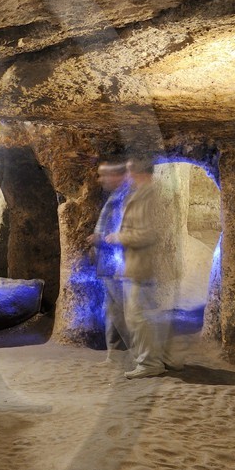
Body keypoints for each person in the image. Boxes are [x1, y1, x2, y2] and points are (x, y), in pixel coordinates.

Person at [108, 155, 174, 379]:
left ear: (139, 172)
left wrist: (118, 237)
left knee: (137, 316)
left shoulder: (150, 196)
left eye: (129, 171)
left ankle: (149, 363)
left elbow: (148, 233)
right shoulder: (141, 194)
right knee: (144, 315)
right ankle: (159, 358)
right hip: (136, 263)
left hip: (142, 264)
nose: (126, 176)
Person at [84, 159, 129, 366]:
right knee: (111, 311)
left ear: (116, 175)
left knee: (122, 312)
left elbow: (122, 233)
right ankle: (115, 355)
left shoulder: (125, 197)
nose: (100, 179)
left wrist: (100, 240)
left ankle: (141, 356)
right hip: (107, 261)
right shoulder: (115, 196)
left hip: (116, 263)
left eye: (104, 175)